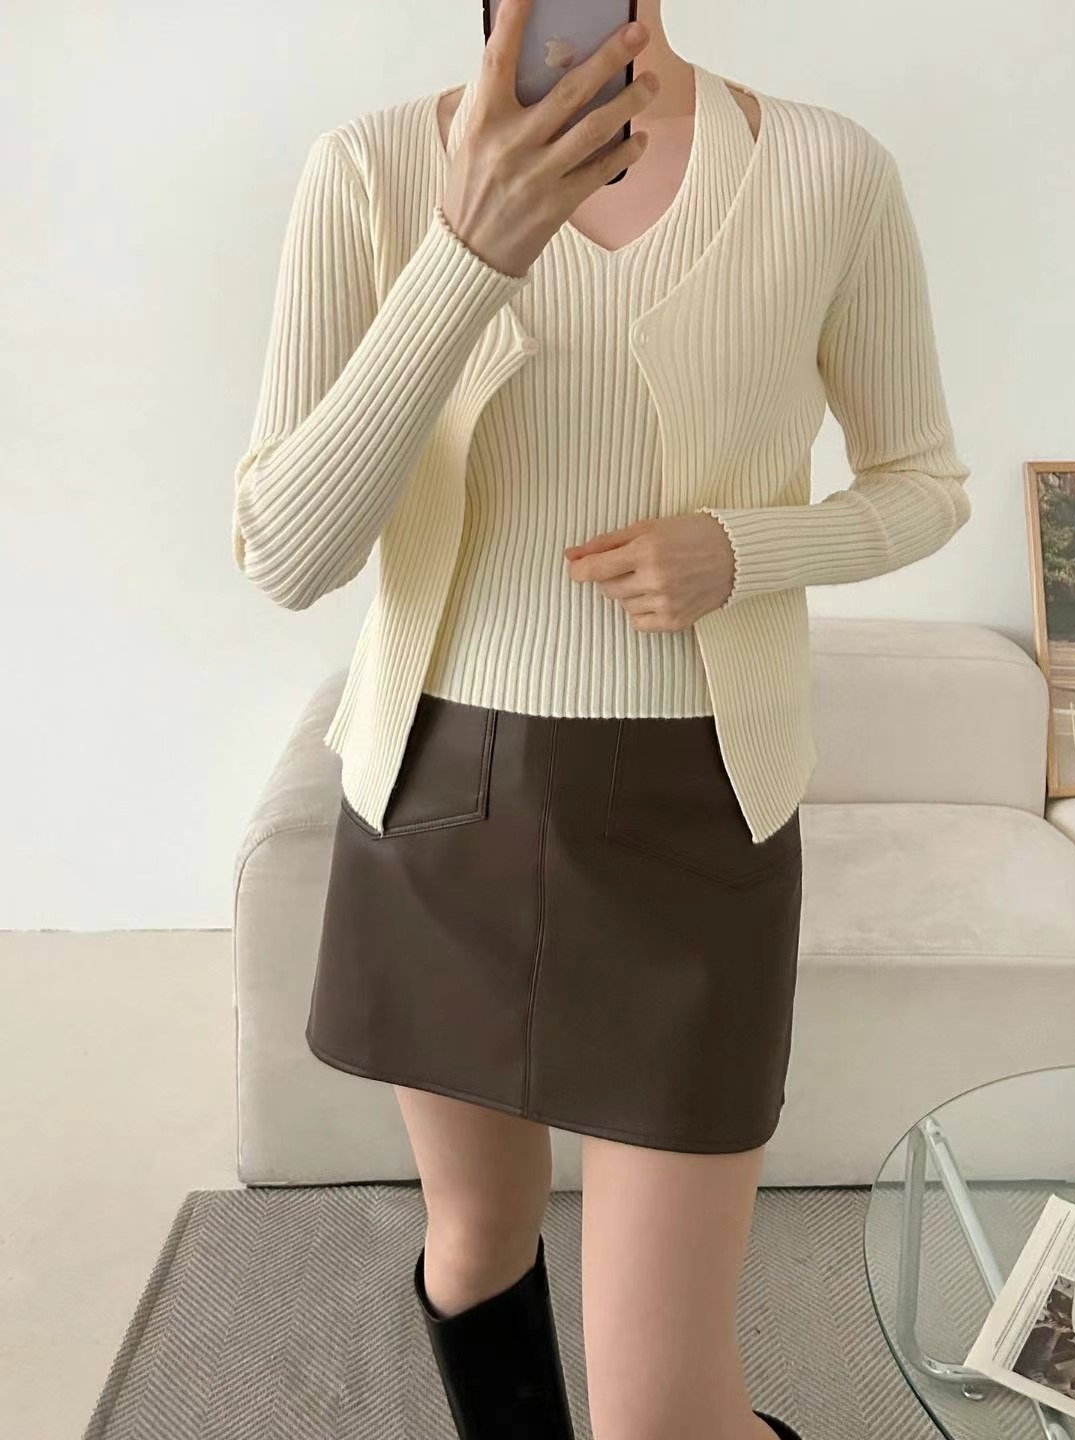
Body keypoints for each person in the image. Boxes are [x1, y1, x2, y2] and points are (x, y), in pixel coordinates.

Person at [231, 0, 972, 1435]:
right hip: (437, 794)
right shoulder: (369, 171)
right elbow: (288, 554)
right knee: (474, 1250)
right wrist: (466, 252)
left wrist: (748, 549)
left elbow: (923, 482)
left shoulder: (824, 169)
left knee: (662, 1414)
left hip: (697, 802)